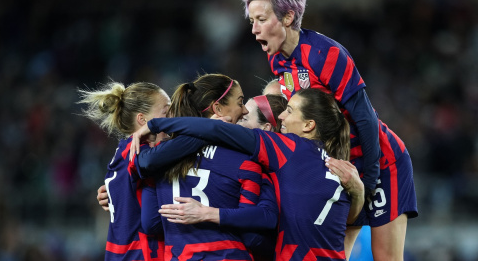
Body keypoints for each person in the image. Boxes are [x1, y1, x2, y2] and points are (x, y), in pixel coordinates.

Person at [241, 0, 418, 260]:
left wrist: (368, 182)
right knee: (331, 255)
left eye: (261, 19)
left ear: (288, 17)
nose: (254, 30)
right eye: (252, 20)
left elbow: (365, 118)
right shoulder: (277, 59)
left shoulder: (326, 54)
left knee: (385, 257)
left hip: (380, 162)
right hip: (337, 163)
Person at [132, 88, 365, 260]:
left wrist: (156, 125)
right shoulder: (340, 168)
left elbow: (215, 129)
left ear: (309, 125)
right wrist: (360, 192)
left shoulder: (289, 148)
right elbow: (350, 225)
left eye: (290, 111)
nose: (283, 116)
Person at [138, 74, 279, 260]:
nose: (244, 111)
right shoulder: (245, 160)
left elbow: (150, 223)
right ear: (218, 108)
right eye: (240, 102)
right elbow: (251, 236)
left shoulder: (160, 159)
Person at [77, 81, 171, 261]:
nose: (173, 119)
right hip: (139, 254)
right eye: (166, 112)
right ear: (143, 120)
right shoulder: (138, 152)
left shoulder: (124, 151)